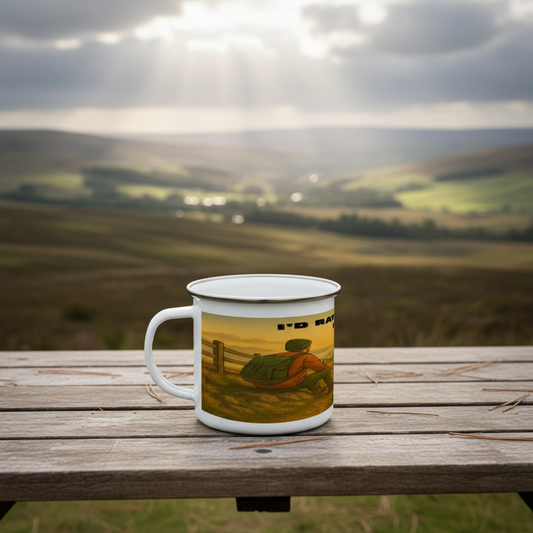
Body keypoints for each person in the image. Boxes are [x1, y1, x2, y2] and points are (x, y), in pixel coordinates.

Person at [254, 338, 332, 395]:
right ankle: (331, 387)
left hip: (262, 385)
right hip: (285, 386)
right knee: (327, 370)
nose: (310, 347)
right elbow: (322, 368)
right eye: (309, 346)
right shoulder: (307, 357)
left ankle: (316, 389)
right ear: (305, 347)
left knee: (304, 377)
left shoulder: (279, 355)